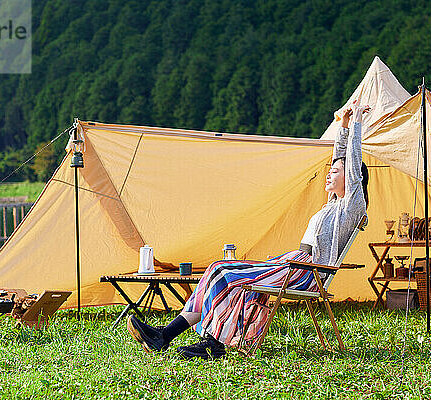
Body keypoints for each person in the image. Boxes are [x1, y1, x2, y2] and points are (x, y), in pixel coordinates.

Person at [127, 103, 370, 360]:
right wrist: (342, 126)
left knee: (224, 272)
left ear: (353, 178)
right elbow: (341, 158)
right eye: (330, 170)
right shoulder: (332, 204)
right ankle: (165, 335)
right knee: (215, 270)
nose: (329, 174)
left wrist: (356, 125)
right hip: (293, 264)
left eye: (336, 171)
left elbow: (352, 166)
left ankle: (211, 343)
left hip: (308, 274)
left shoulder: (352, 207)